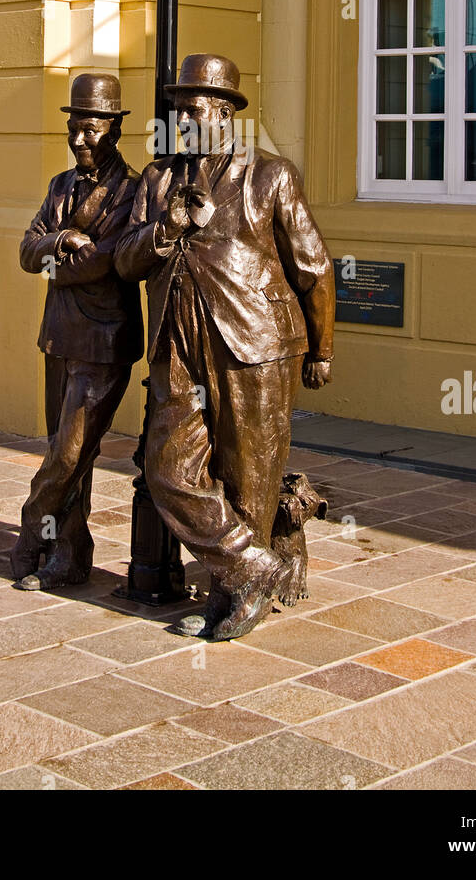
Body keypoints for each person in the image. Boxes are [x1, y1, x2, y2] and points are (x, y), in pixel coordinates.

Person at [114, 54, 334, 640]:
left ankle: (236, 598)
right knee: (167, 467)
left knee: (250, 471)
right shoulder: (158, 179)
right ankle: (253, 564)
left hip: (255, 339)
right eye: (176, 109)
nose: (181, 119)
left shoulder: (270, 175)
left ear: (225, 112)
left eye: (193, 108)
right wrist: (168, 230)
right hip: (177, 338)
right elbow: (124, 258)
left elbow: (312, 265)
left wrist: (322, 349)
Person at [11, 74, 143, 591]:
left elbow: (106, 261)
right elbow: (27, 250)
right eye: (73, 129)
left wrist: (56, 259)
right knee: (65, 453)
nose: (79, 140)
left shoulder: (131, 190)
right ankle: (68, 551)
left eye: (89, 129)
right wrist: (63, 237)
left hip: (105, 340)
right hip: (58, 336)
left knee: (71, 450)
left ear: (112, 128)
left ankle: (30, 527)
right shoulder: (59, 186)